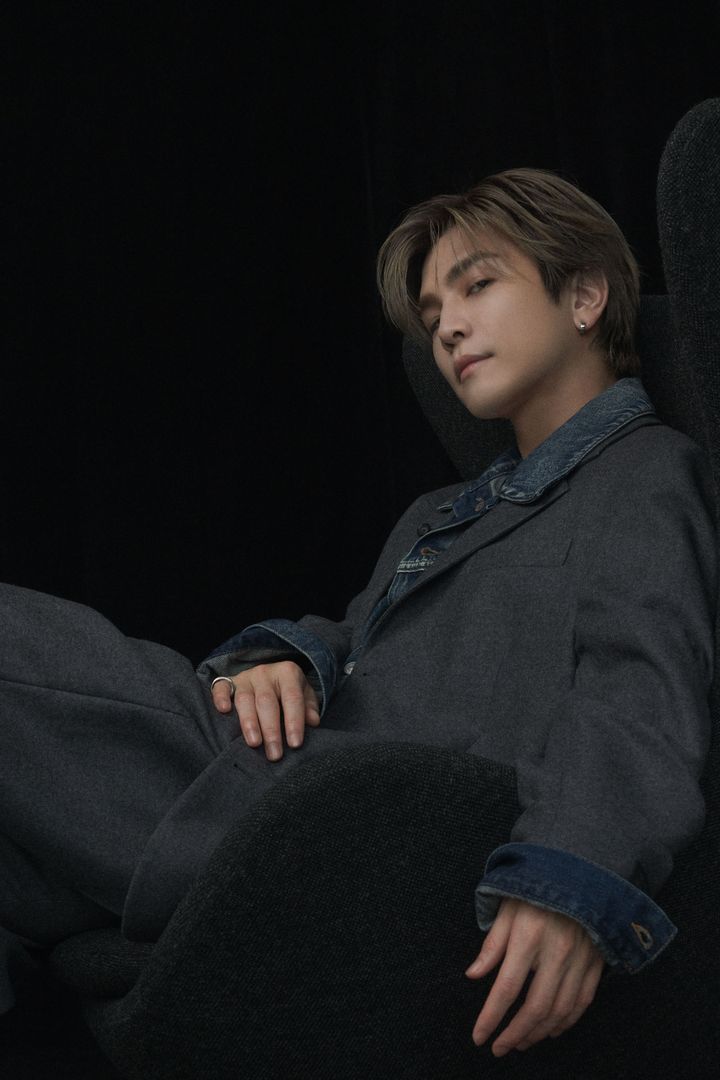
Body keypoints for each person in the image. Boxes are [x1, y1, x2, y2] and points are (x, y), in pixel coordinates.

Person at [0, 169, 715, 1061]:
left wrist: (575, 876)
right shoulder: (439, 514)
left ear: (584, 296)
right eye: (434, 310)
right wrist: (288, 659)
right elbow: (357, 636)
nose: (446, 327)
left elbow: (641, 689)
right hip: (253, 772)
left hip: (332, 817)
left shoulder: (645, 474)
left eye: (477, 285)